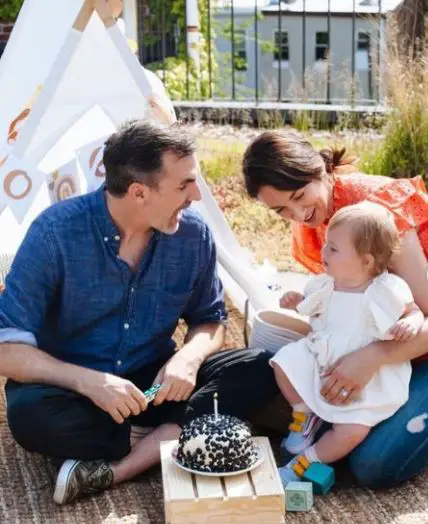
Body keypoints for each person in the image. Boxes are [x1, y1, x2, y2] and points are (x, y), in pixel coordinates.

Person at [0, 121, 278, 505]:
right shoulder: (53, 234)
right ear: (139, 192)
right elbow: (7, 348)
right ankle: (177, 434)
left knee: (261, 367)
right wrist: (90, 383)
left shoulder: (193, 235)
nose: (196, 196)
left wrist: (188, 359)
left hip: (154, 383)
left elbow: (211, 321)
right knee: (30, 416)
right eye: (184, 185)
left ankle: (120, 463)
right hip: (72, 388)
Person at [242, 129, 428, 488]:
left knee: (373, 464)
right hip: (392, 356)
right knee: (276, 388)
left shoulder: (377, 212)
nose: (298, 213)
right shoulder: (312, 227)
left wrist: (373, 357)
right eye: (281, 209)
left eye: (299, 196)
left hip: (415, 348)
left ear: (319, 170)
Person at [270, 202, 424, 485]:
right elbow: (310, 308)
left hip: (369, 376)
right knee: (284, 362)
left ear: (366, 261)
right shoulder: (326, 284)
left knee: (351, 430)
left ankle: (304, 463)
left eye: (333, 248)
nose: (323, 251)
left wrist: (411, 322)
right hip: (324, 359)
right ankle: (303, 415)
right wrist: (295, 302)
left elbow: (414, 311)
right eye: (326, 244)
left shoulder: (385, 290)